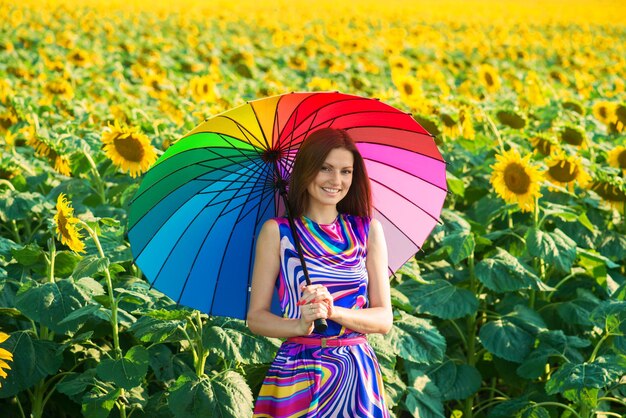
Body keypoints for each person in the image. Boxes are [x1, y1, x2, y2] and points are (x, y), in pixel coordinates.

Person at [247, 128, 392, 417]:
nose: (336, 181)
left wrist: (333, 311)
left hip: (354, 373)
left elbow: (383, 318)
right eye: (325, 168)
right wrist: (298, 326)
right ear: (307, 169)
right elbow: (256, 318)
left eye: (346, 171)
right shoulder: (277, 232)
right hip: (296, 370)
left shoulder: (367, 231)